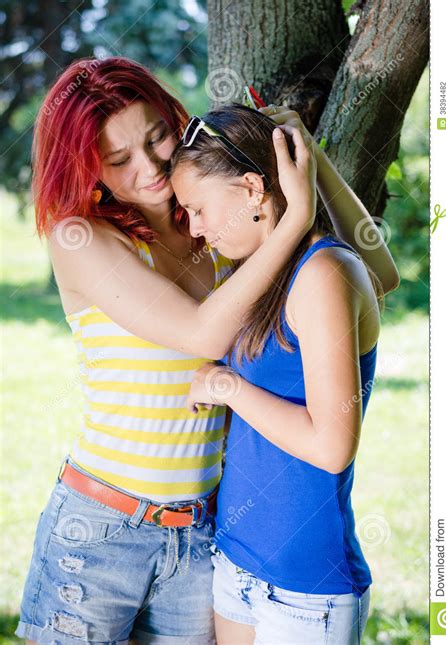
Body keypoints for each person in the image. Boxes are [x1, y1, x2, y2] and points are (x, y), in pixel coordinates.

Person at [17, 56, 397, 644]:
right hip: (100, 531)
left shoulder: (215, 229)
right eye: (118, 160)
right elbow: (202, 334)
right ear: (88, 168)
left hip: (202, 536)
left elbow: (373, 274)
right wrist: (293, 218)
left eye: (157, 138)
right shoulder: (83, 238)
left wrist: (300, 157)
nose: (150, 167)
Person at [171, 104, 398, 644]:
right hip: (236, 563)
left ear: (253, 189)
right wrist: (310, 158)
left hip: (303, 591)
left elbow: (331, 445)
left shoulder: (323, 272)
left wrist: (228, 386)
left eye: (197, 208)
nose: (198, 229)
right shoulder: (269, 268)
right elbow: (383, 274)